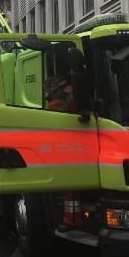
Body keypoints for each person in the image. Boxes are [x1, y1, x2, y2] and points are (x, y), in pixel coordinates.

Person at [44, 76, 81, 232]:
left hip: (69, 145)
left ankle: (71, 220)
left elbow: (54, 122)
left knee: (69, 185)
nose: (47, 94)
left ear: (53, 86)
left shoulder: (58, 98)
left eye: (47, 90)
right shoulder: (73, 87)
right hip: (83, 141)